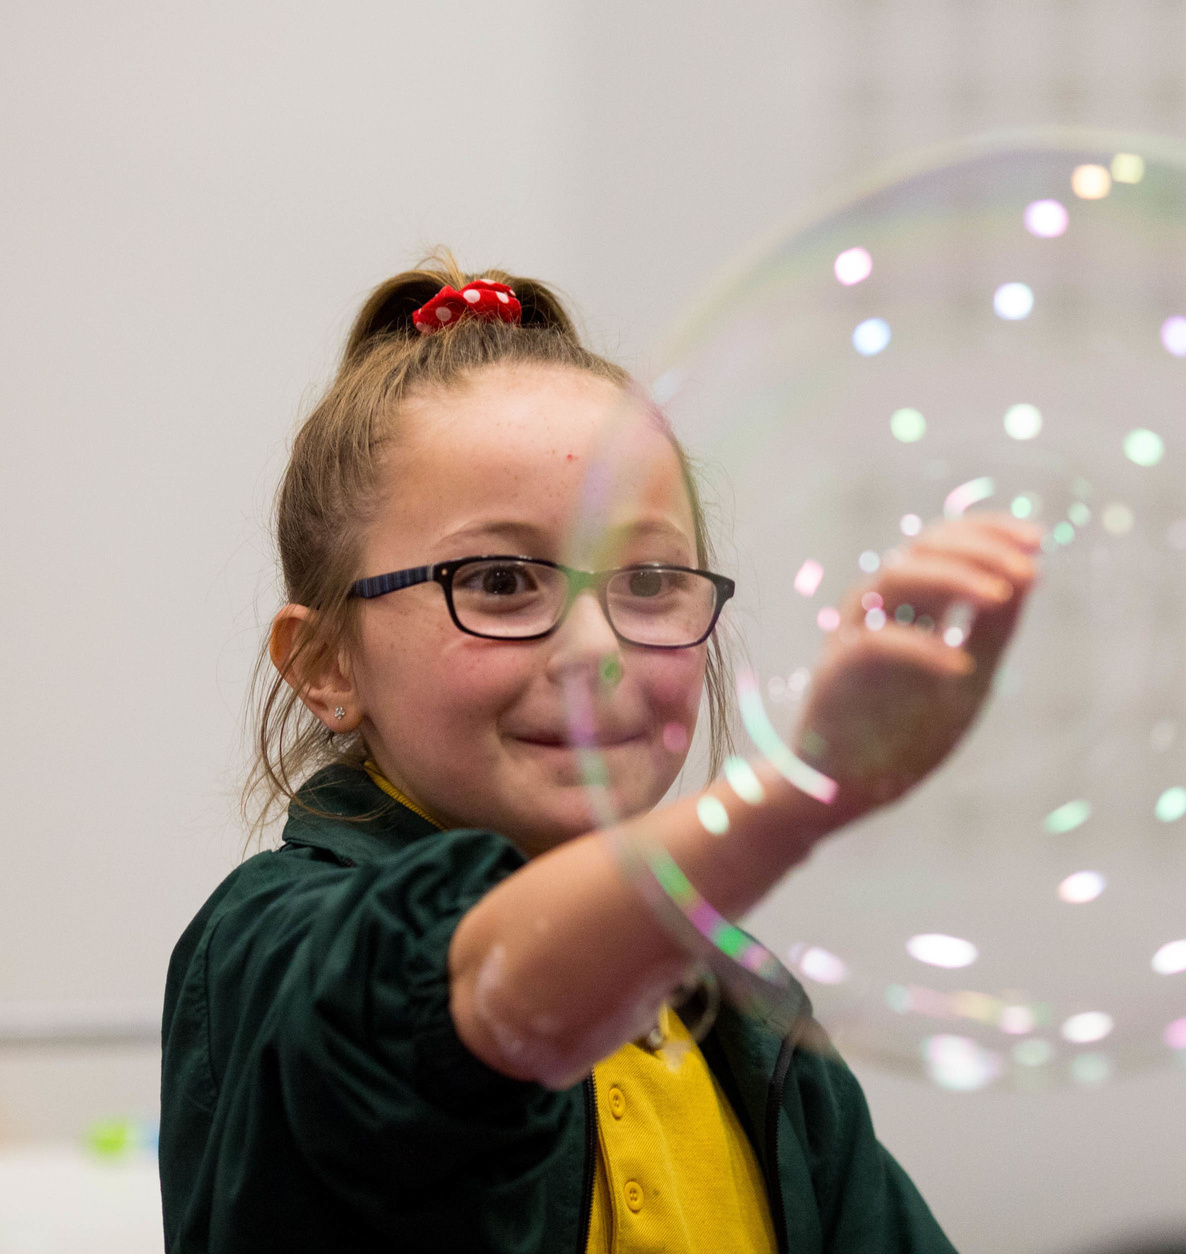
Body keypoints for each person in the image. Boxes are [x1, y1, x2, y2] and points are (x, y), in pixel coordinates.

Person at [159, 252, 1041, 1254]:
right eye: (497, 581)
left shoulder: (736, 1010)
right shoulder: (273, 939)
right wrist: (797, 794)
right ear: (324, 663)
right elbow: (469, 995)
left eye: (651, 580)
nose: (595, 649)